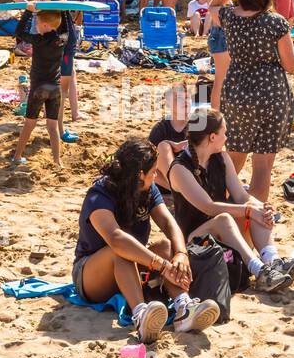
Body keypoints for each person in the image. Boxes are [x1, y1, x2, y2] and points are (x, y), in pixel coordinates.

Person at [73, 139, 211, 343]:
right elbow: (116, 238)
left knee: (166, 245)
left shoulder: (148, 189)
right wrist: (162, 266)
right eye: (154, 171)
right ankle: (140, 314)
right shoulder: (99, 193)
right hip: (91, 275)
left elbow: (168, 223)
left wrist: (181, 254)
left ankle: (184, 307)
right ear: (139, 174)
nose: (156, 176)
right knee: (121, 250)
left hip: (129, 268)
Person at [169, 108, 294, 294]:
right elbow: (208, 207)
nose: (227, 137)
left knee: (253, 207)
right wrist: (249, 211)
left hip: (223, 233)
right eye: (224, 132)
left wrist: (261, 208)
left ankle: (273, 262)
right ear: (212, 137)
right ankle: (260, 272)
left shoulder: (222, 158)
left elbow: (242, 196)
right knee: (229, 217)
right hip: (193, 241)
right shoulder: (180, 169)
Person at [204, 0, 294, 204]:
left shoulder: (230, 17)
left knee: (233, 159)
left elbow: (213, 3)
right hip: (271, 93)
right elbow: (291, 65)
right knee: (263, 164)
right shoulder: (275, 22)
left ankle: (221, 208)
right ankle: (253, 222)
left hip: (237, 92)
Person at [11, 0, 74, 168]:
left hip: (39, 88)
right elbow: (67, 29)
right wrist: (65, 11)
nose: (36, 26)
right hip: (55, 89)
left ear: (45, 25)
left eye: (37, 22)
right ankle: (57, 161)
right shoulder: (62, 39)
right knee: (52, 127)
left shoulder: (38, 40)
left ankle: (17, 156)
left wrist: (28, 12)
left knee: (29, 124)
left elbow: (18, 31)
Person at [202, 0, 233, 111]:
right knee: (220, 78)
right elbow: (221, 16)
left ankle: (220, 110)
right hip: (221, 34)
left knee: (223, 77)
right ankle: (216, 112)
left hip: (220, 34)